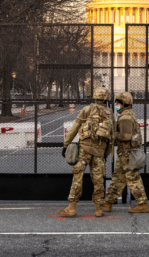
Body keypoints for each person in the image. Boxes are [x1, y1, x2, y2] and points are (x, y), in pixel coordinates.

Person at [57, 87, 115, 217]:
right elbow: (112, 137)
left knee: (78, 176)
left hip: (84, 149)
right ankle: (98, 209)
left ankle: (72, 207)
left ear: (94, 96)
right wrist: (106, 154)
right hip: (100, 151)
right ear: (106, 98)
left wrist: (66, 145)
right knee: (98, 179)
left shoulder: (87, 110)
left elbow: (74, 128)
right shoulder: (110, 113)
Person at [102, 91, 149, 213]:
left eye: (118, 102)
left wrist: (112, 133)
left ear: (123, 104)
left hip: (127, 153)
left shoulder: (125, 117)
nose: (115, 104)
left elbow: (126, 136)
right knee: (118, 178)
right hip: (125, 153)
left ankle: (142, 204)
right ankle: (108, 202)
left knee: (133, 178)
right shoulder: (127, 114)